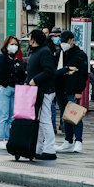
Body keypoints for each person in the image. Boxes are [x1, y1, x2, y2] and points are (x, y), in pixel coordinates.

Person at [26, 27, 58, 161]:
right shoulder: (38, 51)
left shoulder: (44, 52)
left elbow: (49, 71)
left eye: (30, 37)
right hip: (38, 91)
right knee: (39, 120)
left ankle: (50, 149)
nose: (28, 40)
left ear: (33, 40)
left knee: (45, 119)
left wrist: (35, 79)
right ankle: (38, 148)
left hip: (45, 90)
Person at [56, 30, 89, 152]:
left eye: (65, 41)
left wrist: (79, 90)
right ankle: (68, 140)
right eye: (62, 41)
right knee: (65, 116)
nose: (63, 44)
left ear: (71, 40)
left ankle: (78, 141)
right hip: (60, 89)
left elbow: (83, 74)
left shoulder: (79, 55)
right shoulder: (60, 53)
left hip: (73, 90)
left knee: (74, 115)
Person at [0, 35, 25, 149]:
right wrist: (5, 83)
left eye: (16, 44)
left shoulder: (16, 60)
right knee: (3, 115)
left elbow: (20, 74)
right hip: (5, 89)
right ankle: (1, 138)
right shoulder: (2, 58)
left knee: (12, 116)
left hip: (15, 89)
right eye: (12, 44)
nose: (14, 46)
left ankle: (9, 138)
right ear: (6, 45)